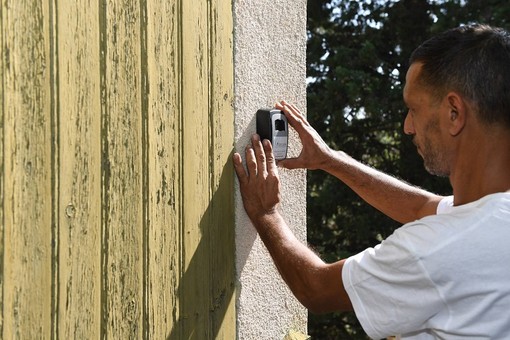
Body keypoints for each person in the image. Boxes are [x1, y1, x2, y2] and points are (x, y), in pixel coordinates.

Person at [233, 24, 510, 339]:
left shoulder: (439, 249)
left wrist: (265, 213)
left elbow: (316, 288)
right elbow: (423, 206)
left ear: (454, 113)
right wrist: (331, 159)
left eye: (413, 109)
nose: (407, 127)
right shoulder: (492, 217)